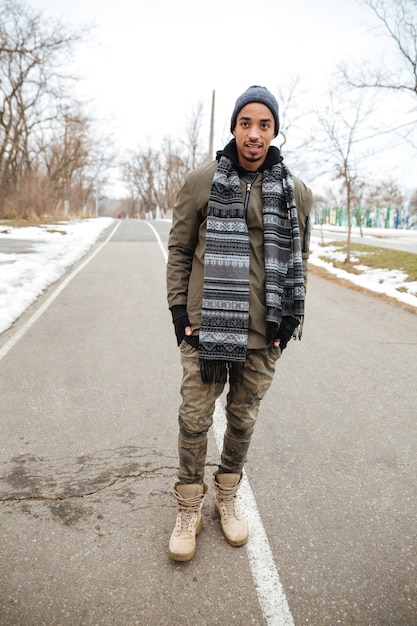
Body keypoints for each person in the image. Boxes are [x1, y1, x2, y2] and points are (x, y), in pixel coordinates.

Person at [166, 85, 313, 562]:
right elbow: (181, 251)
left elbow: (300, 255)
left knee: (243, 419)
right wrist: (178, 313)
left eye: (264, 124)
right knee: (194, 419)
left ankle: (226, 495)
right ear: (233, 126)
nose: (254, 133)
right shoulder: (201, 182)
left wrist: (289, 317)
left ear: (274, 131)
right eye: (246, 122)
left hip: (264, 333)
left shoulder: (296, 192)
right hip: (205, 329)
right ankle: (189, 505)